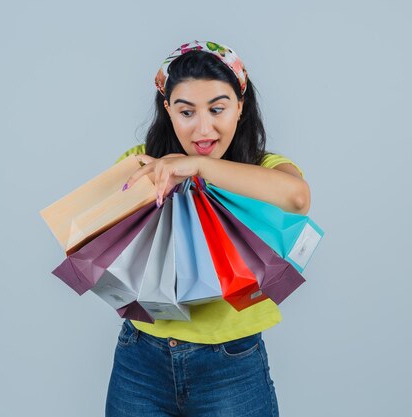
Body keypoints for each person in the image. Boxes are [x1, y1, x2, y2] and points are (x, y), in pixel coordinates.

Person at [105, 40, 310, 417]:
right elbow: (106, 242)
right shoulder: (142, 162)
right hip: (140, 358)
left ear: (240, 106)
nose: (204, 128)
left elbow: (297, 198)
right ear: (168, 110)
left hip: (230, 364)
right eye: (186, 112)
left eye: (217, 109)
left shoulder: (260, 168)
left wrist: (199, 167)